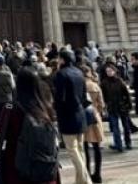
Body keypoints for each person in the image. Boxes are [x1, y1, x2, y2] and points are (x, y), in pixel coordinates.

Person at [0, 68, 61, 184]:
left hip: (16, 160)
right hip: (44, 161)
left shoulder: (11, 108)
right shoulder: (45, 106)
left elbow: (0, 135)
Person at [53, 49, 92, 184]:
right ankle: (80, 181)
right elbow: (83, 95)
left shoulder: (61, 74)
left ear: (62, 60)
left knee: (72, 150)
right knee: (80, 150)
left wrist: (55, 112)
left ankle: (86, 181)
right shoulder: (79, 72)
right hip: (80, 114)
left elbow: (59, 98)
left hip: (67, 116)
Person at [100, 63, 133, 152]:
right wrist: (104, 105)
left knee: (126, 126)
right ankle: (118, 145)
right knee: (115, 127)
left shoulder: (120, 81)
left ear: (114, 71)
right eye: (107, 71)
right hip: (111, 106)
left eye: (110, 71)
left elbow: (126, 93)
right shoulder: (104, 83)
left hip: (122, 106)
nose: (109, 73)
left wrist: (128, 104)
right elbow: (102, 95)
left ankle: (128, 142)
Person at [81, 65, 104, 183]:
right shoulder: (95, 85)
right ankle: (98, 174)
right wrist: (97, 111)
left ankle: (88, 172)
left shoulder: (79, 86)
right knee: (97, 147)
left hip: (83, 117)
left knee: (84, 148)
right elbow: (102, 104)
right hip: (94, 115)